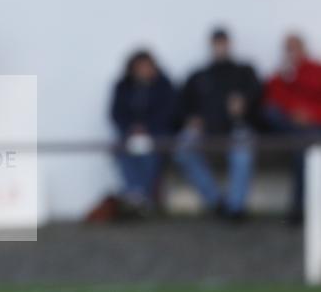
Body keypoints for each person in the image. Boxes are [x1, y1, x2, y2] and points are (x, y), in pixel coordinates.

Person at [175, 28, 262, 220]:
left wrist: (244, 102)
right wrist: (191, 118)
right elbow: (182, 104)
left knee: (242, 153)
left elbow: (258, 95)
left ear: (229, 44)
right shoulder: (198, 75)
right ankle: (216, 201)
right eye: (217, 43)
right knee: (183, 148)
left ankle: (235, 207)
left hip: (236, 129)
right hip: (205, 131)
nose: (220, 47)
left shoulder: (244, 71)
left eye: (224, 43)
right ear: (211, 46)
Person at [263, 33, 321, 224]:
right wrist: (284, 75)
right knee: (298, 144)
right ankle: (298, 207)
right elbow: (272, 99)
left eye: (294, 47)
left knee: (302, 149)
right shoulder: (283, 74)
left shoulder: (315, 69)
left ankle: (299, 207)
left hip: (314, 126)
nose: (291, 52)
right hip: (293, 127)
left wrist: (309, 114)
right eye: (288, 49)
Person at [109, 49, 176, 215]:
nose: (144, 70)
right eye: (140, 67)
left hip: (156, 134)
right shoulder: (123, 86)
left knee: (149, 153)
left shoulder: (163, 85)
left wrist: (148, 128)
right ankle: (138, 196)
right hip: (130, 134)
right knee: (124, 151)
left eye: (147, 66)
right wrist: (132, 128)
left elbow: (170, 112)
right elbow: (116, 113)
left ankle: (138, 197)